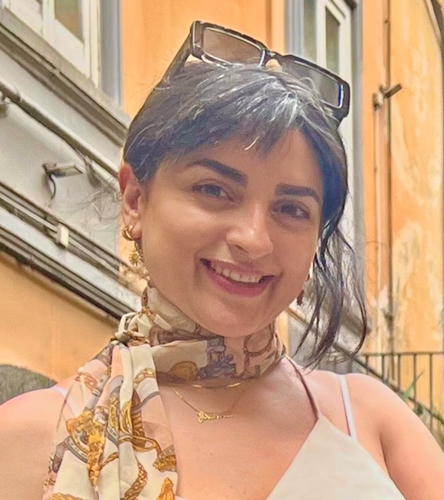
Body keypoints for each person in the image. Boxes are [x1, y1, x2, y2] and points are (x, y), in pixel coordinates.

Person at [0, 20, 443, 500]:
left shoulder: (373, 424)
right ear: (134, 200)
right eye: (214, 190)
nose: (254, 239)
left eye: (291, 209)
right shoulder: (32, 440)